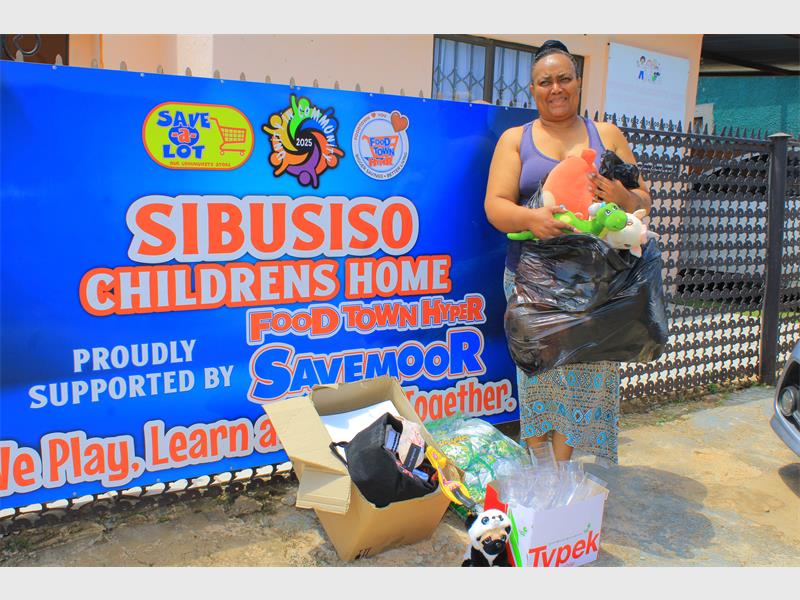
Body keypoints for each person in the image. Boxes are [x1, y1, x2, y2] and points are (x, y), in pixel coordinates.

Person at [484, 39, 652, 464]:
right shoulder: (515, 139)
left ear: (578, 83)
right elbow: (496, 205)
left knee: (586, 375)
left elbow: (643, 200)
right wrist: (531, 220)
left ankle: (562, 473)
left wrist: (620, 194)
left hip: (598, 284)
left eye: (563, 78)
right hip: (533, 280)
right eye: (545, 81)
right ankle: (541, 474)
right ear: (533, 89)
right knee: (539, 375)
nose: (555, 88)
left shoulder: (607, 134)